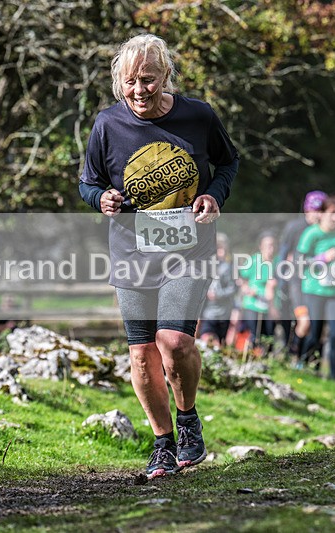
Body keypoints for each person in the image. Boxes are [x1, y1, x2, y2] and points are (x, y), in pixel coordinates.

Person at [79, 34, 239, 478]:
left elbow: (228, 163)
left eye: (148, 79)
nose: (139, 90)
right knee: (141, 353)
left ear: (165, 75)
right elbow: (87, 182)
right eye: (129, 82)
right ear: (119, 83)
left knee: (174, 342)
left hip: (189, 251)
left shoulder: (198, 115)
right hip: (132, 254)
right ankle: (163, 443)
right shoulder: (107, 126)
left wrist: (212, 195)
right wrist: (101, 199)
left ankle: (187, 419)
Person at [296, 195, 335, 379]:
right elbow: (299, 262)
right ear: (322, 214)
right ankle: (307, 367)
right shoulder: (312, 234)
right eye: (332, 214)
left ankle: (334, 376)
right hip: (314, 290)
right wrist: (322, 259)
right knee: (315, 333)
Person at [277, 190, 328, 357]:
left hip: (319, 283)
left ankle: (312, 361)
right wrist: (281, 281)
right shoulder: (295, 227)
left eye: (322, 211)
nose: (319, 215)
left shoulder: (326, 230)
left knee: (318, 326)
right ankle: (293, 355)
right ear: (307, 210)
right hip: (296, 281)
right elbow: (283, 254)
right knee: (302, 321)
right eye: (316, 211)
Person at [238, 231, 278, 355]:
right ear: (261, 246)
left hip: (270, 307)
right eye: (267, 246)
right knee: (254, 335)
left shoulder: (277, 262)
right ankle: (248, 360)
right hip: (252, 304)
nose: (269, 249)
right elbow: (240, 278)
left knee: (269, 338)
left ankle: (267, 365)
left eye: (272, 245)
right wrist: (246, 289)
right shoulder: (254, 260)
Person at [197, 233, 236, 348]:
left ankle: (217, 363)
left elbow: (233, 288)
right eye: (218, 248)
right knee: (207, 338)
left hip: (223, 312)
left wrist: (218, 295)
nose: (220, 252)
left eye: (222, 249)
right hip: (208, 313)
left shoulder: (228, 267)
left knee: (221, 343)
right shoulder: (205, 266)